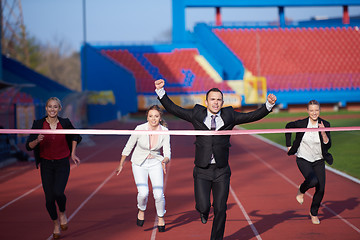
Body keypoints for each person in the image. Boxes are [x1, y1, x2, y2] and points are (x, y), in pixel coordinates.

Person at [154, 79, 277, 240]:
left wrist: (268, 105)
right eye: (212, 99)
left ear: (222, 102)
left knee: (220, 208)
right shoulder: (196, 114)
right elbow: (174, 109)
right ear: (206, 102)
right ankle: (203, 212)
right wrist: (161, 92)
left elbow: (251, 116)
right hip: (201, 170)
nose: (216, 102)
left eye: (219, 99)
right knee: (203, 206)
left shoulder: (229, 115)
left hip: (221, 171)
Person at [26, 97, 82, 239]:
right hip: (46, 164)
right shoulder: (38, 124)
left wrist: (73, 153)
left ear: (59, 109)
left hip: (62, 163)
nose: (52, 109)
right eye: (50, 106)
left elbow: (76, 136)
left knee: (58, 192)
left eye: (55, 107)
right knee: (49, 199)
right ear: (46, 108)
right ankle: (56, 223)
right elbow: (28, 146)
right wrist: (37, 140)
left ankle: (62, 212)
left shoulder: (65, 123)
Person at [116, 105, 171, 232]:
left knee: (158, 194)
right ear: (147, 117)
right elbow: (129, 146)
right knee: (143, 193)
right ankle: (141, 209)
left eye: (156, 116)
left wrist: (165, 160)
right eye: (151, 116)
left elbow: (167, 151)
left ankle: (161, 217)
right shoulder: (139, 129)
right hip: (139, 163)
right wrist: (121, 164)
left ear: (160, 117)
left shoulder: (164, 131)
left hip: (156, 162)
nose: (153, 119)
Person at [285, 100, 333, 225]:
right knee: (312, 181)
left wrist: (323, 133)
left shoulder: (325, 124)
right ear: (307, 111)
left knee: (321, 189)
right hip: (303, 158)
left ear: (319, 111)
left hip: (318, 159)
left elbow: (328, 145)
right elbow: (288, 127)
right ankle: (301, 190)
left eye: (316, 110)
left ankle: (314, 213)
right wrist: (289, 145)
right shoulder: (301, 123)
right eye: (311, 110)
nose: (314, 113)